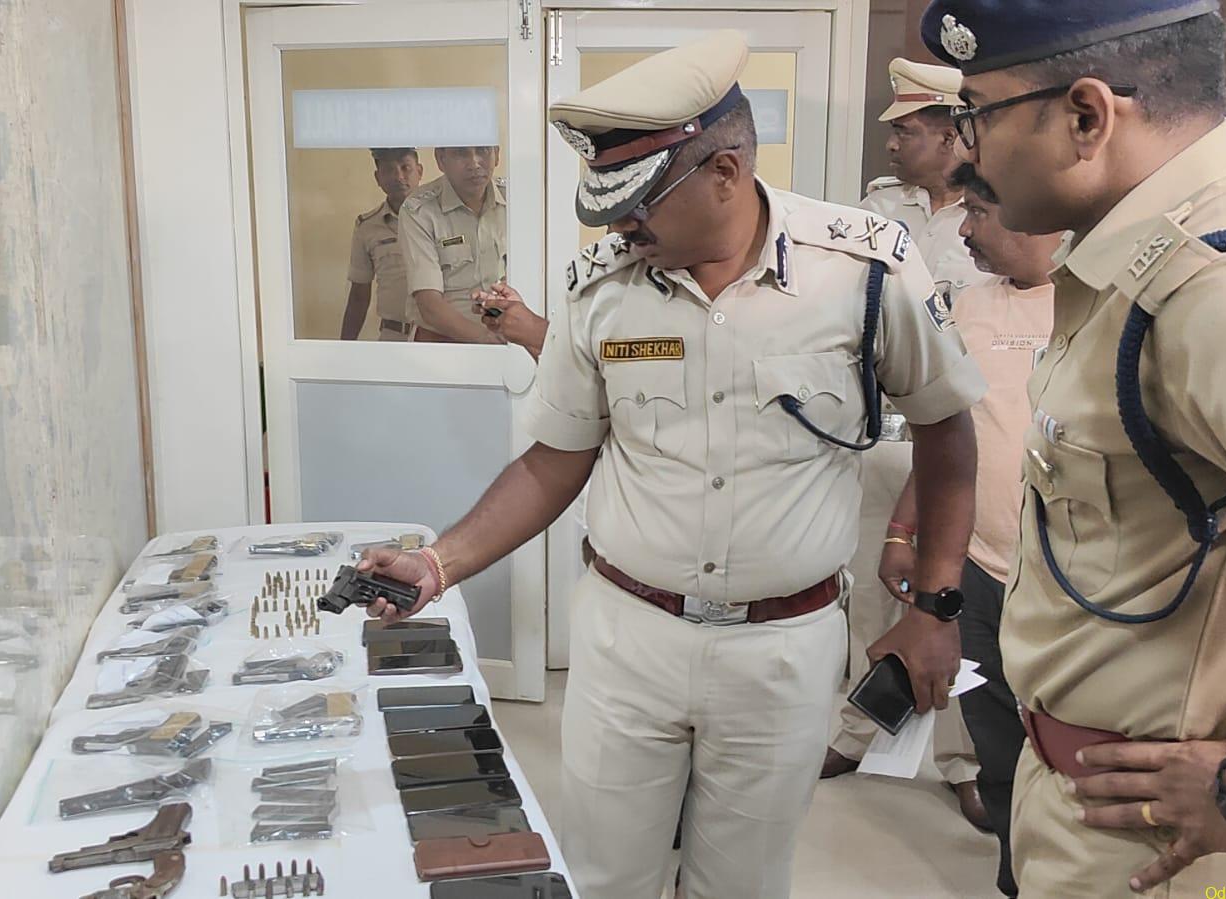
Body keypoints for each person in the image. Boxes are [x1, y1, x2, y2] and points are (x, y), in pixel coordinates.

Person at [360, 30, 987, 899]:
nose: (619, 224)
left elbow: (946, 431)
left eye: (638, 202)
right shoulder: (601, 286)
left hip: (782, 650)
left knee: (742, 883)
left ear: (724, 172)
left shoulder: (865, 269)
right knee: (606, 875)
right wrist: (438, 563)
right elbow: (554, 459)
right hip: (628, 639)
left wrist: (934, 604)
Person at [923, 1, 1226, 895]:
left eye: (975, 115)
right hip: (1085, 800)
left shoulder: (1223, 288)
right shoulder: (1136, 262)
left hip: (1173, 847)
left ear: (1086, 116)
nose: (962, 153)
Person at [879, 162, 1063, 897]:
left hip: (1068, 582)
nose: (964, 231)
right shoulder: (970, 306)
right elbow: (944, 432)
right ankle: (1016, 876)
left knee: (1064, 752)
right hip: (980, 571)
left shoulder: (1099, 302)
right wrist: (903, 530)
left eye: (979, 215)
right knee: (996, 742)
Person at [822, 56, 988, 835]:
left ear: (954, 134)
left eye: (909, 130)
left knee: (955, 600)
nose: (891, 143)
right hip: (883, 431)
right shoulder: (877, 207)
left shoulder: (1001, 208)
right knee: (871, 589)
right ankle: (858, 728)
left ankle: (964, 760)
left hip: (965, 439)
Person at [862, 57, 994, 310]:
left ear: (949, 138)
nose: (891, 144)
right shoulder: (878, 208)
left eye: (903, 132)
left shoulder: (996, 218)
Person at [400, 146, 508, 344]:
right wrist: (487, 339)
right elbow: (429, 305)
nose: (474, 163)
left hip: (505, 340)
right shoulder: (419, 210)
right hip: (441, 344)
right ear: (441, 159)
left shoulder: (516, 200)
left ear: (497, 154)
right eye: (461, 153)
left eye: (483, 150)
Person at [340, 148, 425, 341]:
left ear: (419, 171)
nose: (399, 176)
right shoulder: (367, 227)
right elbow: (359, 294)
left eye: (406, 168)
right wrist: (344, 348)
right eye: (389, 170)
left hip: (438, 336)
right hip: (393, 336)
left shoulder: (443, 219)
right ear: (378, 178)